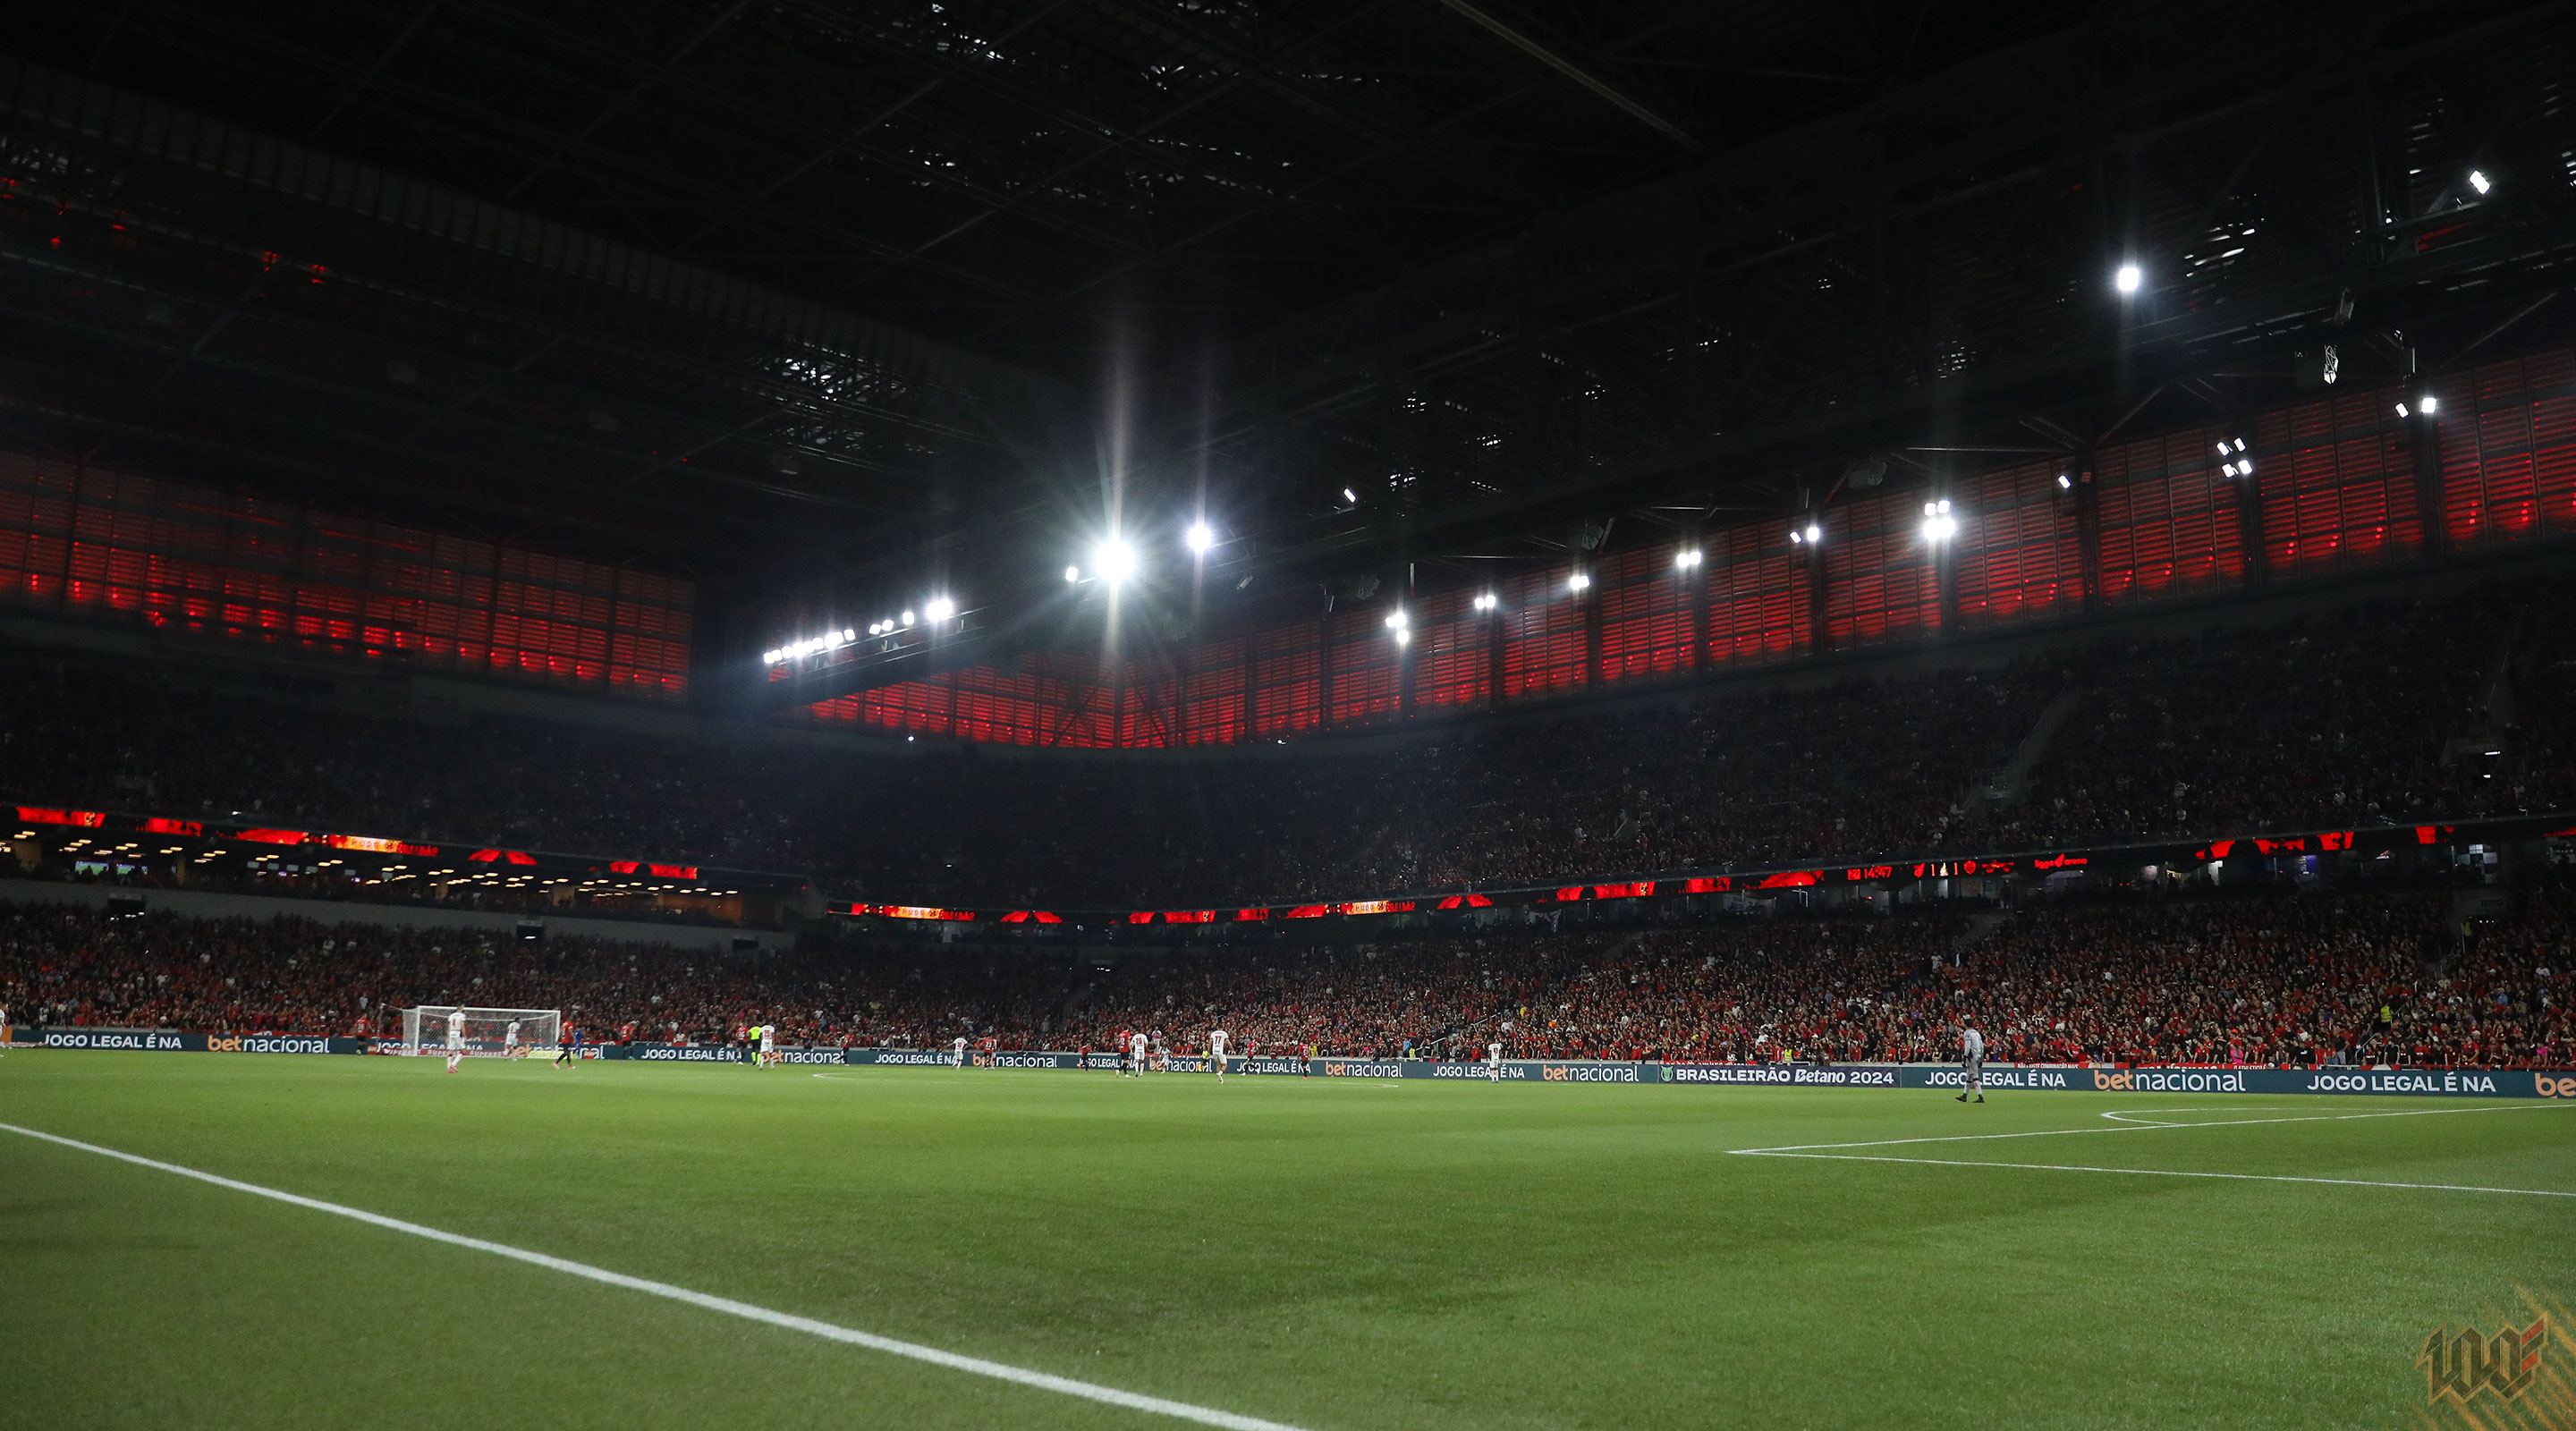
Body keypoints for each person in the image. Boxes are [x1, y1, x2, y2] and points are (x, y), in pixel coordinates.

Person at [1955, 1019, 1985, 1104]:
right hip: (1978, 1055)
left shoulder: (1967, 1033)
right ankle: (1964, 1096)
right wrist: (1981, 1057)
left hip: (1971, 1056)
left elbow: (1968, 1046)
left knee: (1975, 1076)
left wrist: (1964, 1057)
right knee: (1968, 1076)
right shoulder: (1977, 1033)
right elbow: (1981, 1045)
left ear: (1966, 1024)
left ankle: (1980, 1096)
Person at [445, 1006, 467, 1072]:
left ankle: (449, 1069)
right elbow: (462, 1026)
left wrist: (448, 1037)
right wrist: (464, 1035)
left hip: (451, 1033)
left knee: (451, 1051)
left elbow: (449, 1026)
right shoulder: (462, 1016)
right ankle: (453, 1065)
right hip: (457, 1033)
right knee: (463, 1050)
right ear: (461, 1009)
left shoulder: (451, 1016)